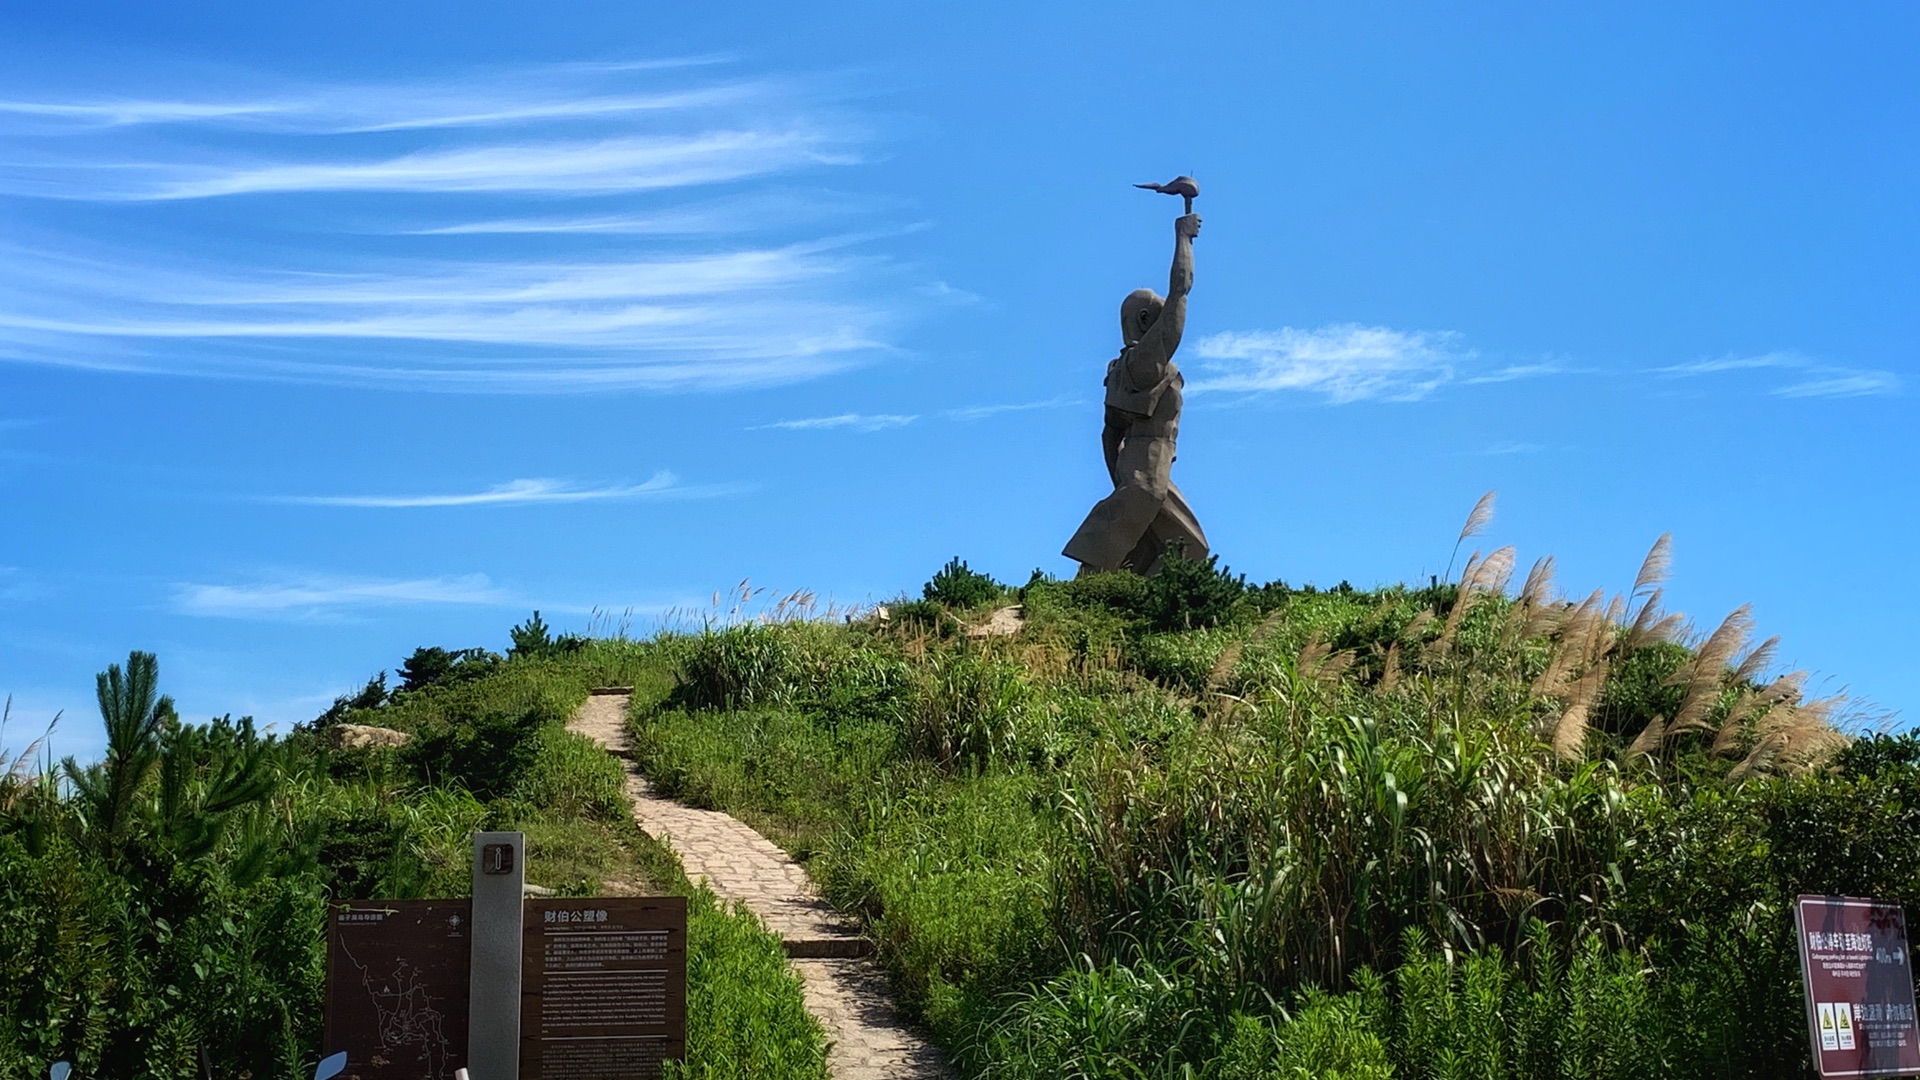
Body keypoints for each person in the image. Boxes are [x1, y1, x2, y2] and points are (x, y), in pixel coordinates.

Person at [1062, 211, 1208, 575]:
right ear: (1145, 320)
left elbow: (1110, 433)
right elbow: (1180, 291)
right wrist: (1183, 239)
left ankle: (1131, 591)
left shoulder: (1121, 371)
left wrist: (1120, 477)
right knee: (1171, 543)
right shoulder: (1146, 363)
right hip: (1148, 473)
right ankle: (1093, 584)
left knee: (1189, 545)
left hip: (1143, 470)